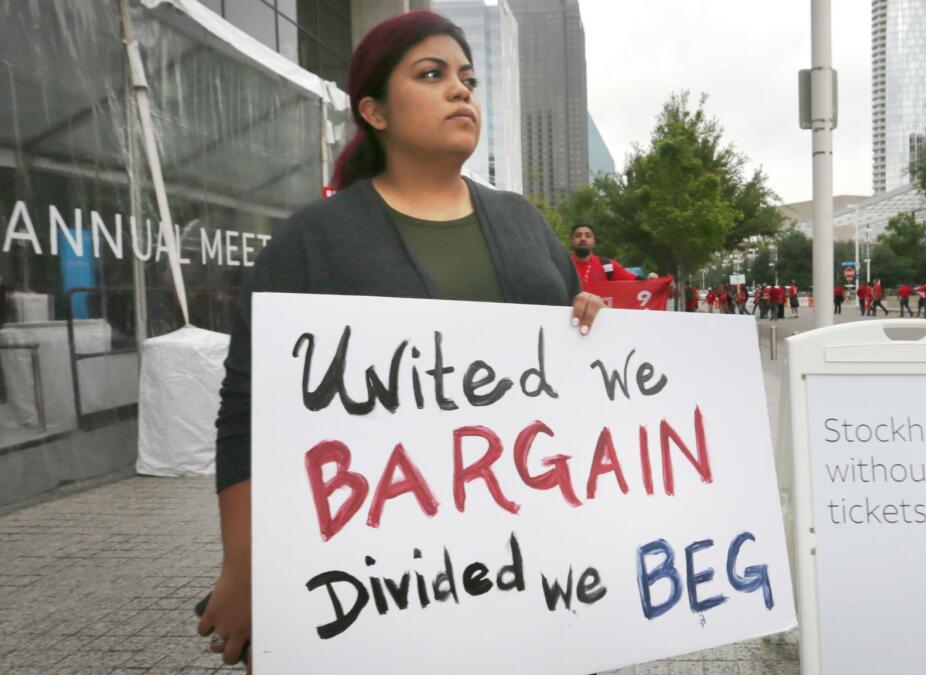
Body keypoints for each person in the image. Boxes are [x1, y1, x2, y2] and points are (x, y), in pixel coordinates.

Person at [199, 12, 606, 669]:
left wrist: (591, 325)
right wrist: (243, 564)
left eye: (467, 78)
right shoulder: (312, 242)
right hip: (387, 589)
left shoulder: (525, 226)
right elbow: (246, 413)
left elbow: (576, 385)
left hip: (535, 579)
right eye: (432, 74)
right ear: (375, 112)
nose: (461, 90)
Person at [570, 223, 639, 285]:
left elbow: (638, 281)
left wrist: (649, 279)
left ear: (594, 242)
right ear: (571, 242)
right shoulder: (563, 266)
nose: (583, 238)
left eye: (588, 236)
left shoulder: (608, 265)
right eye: (578, 236)